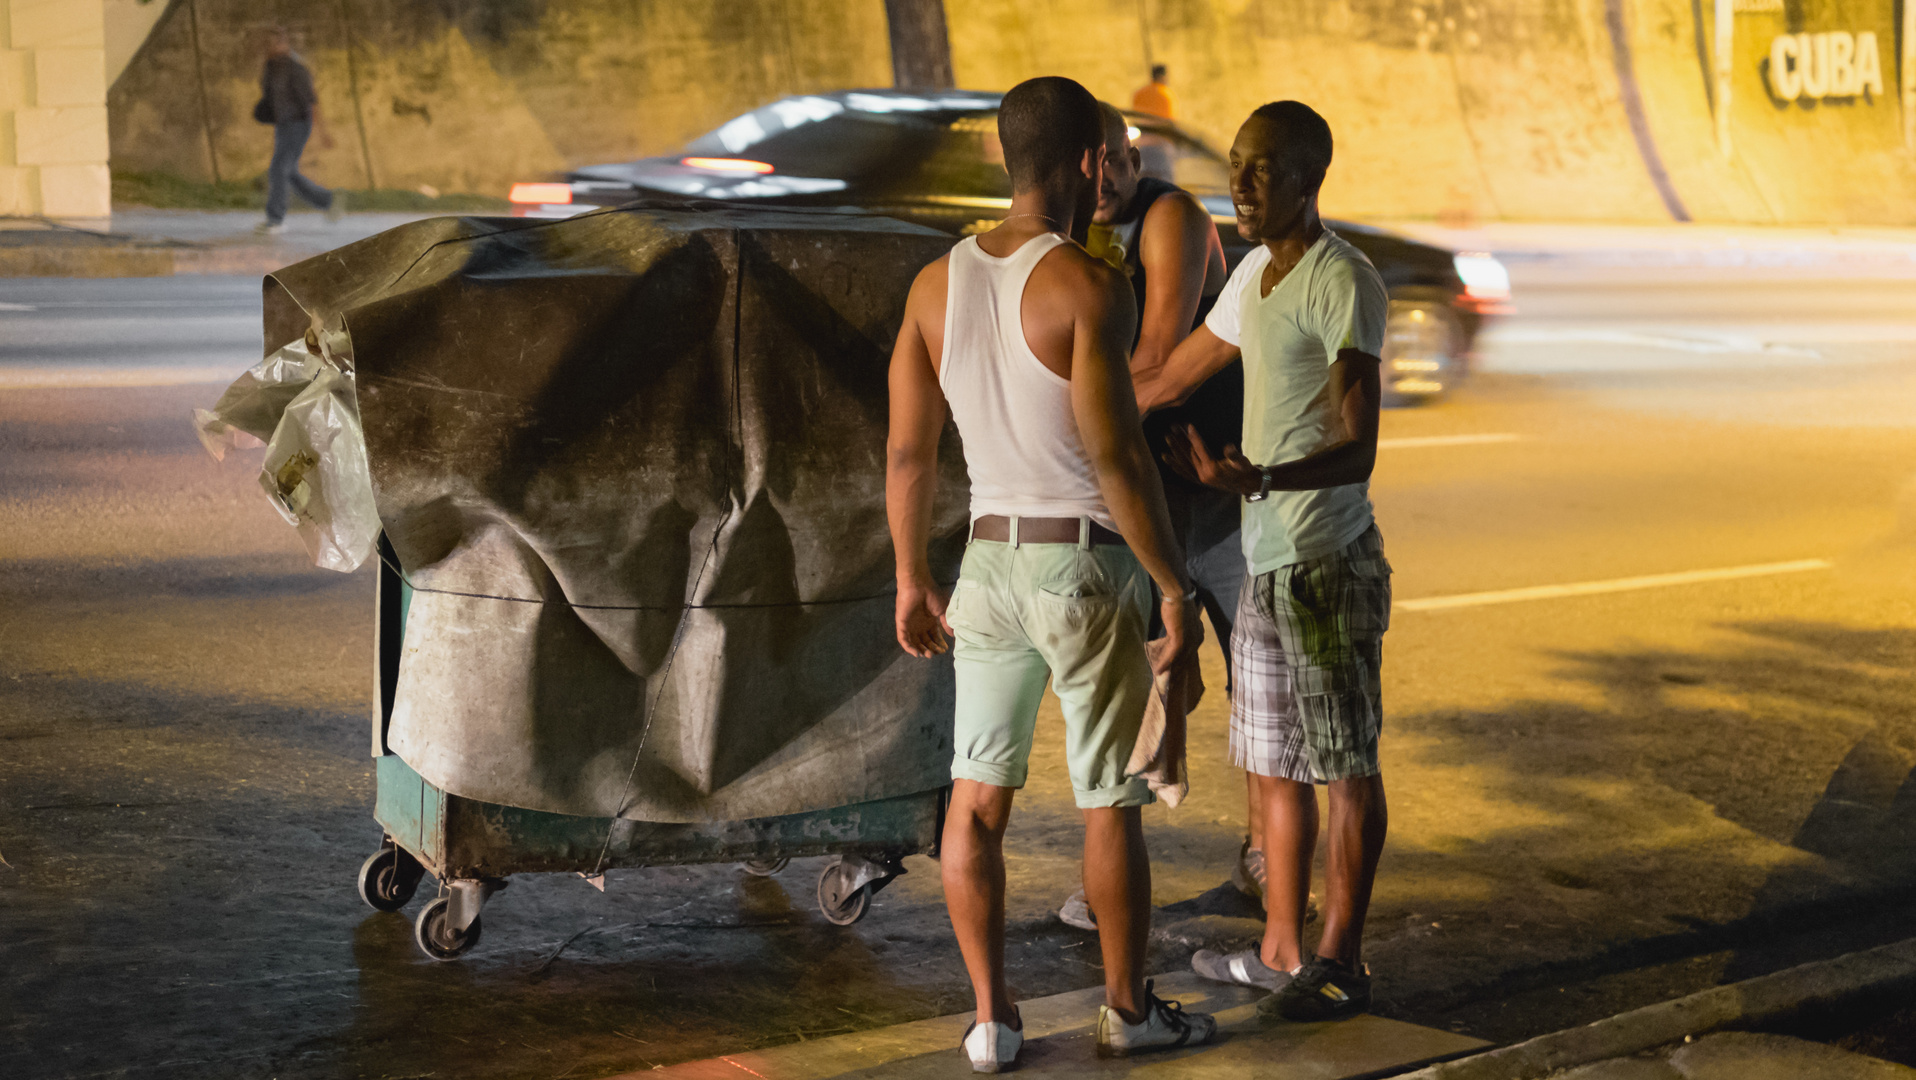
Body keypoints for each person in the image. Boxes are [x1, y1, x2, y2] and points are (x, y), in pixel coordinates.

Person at [886, 75, 1218, 1068]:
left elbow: (908, 456)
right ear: (1088, 162)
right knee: (1105, 799)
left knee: (973, 797)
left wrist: (911, 574)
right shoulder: (1085, 284)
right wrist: (1170, 585)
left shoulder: (932, 284)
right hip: (1080, 567)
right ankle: (1126, 1011)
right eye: (1114, 151)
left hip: (983, 564)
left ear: (1003, 156)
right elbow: (1114, 459)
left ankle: (990, 1022)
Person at [1139, 101, 1392, 1020]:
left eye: (1262, 169)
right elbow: (1170, 377)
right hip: (1269, 564)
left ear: (1309, 178)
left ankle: (1342, 962)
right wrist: (1065, 411)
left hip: (1326, 561)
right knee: (1273, 767)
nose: (1241, 185)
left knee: (1344, 767)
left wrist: (1258, 477)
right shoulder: (1253, 274)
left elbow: (1359, 447)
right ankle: (1282, 950)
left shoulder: (1343, 280)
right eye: (1237, 165)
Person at [1057, 102, 1247, 931]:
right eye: (1086, 160)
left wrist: (1071, 418)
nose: (1102, 175)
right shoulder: (1066, 234)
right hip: (1146, 503)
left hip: (1222, 492)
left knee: (1263, 688)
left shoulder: (1170, 216)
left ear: (1132, 157)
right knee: (1132, 687)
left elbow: (1162, 354)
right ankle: (1111, 886)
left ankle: (1269, 867)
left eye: (1114, 157)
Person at [255, 27, 343, 235]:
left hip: (298, 125)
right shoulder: (270, 67)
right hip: (283, 125)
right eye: (267, 44)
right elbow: (270, 97)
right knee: (289, 171)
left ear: (285, 44)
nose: (271, 47)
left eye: (276, 43)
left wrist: (323, 133)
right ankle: (328, 200)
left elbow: (312, 101)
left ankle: (275, 220)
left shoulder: (296, 69)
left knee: (278, 169)